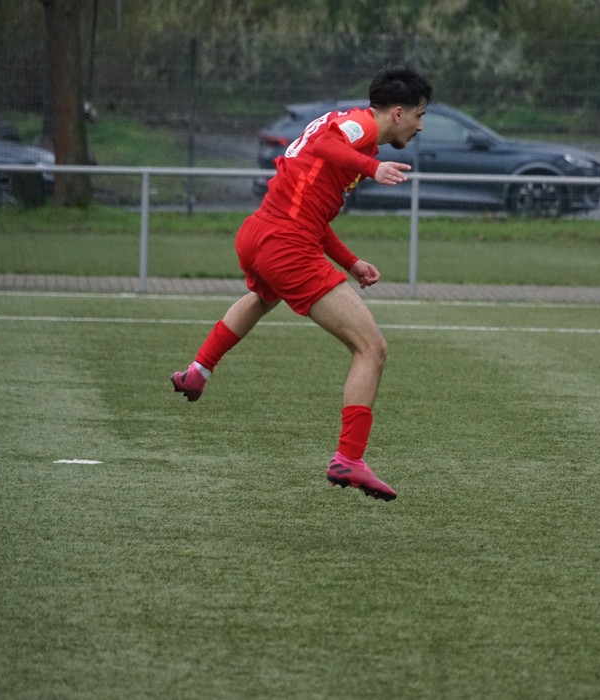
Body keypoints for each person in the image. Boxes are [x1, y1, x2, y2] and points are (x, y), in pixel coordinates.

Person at [170, 65, 432, 502]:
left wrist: (350, 262)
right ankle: (349, 458)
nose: (421, 126)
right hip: (286, 242)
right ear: (399, 113)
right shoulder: (359, 127)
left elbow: (311, 208)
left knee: (263, 297)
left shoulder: (351, 127)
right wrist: (372, 167)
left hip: (260, 232)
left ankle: (198, 372)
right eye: (420, 115)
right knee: (372, 348)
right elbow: (328, 145)